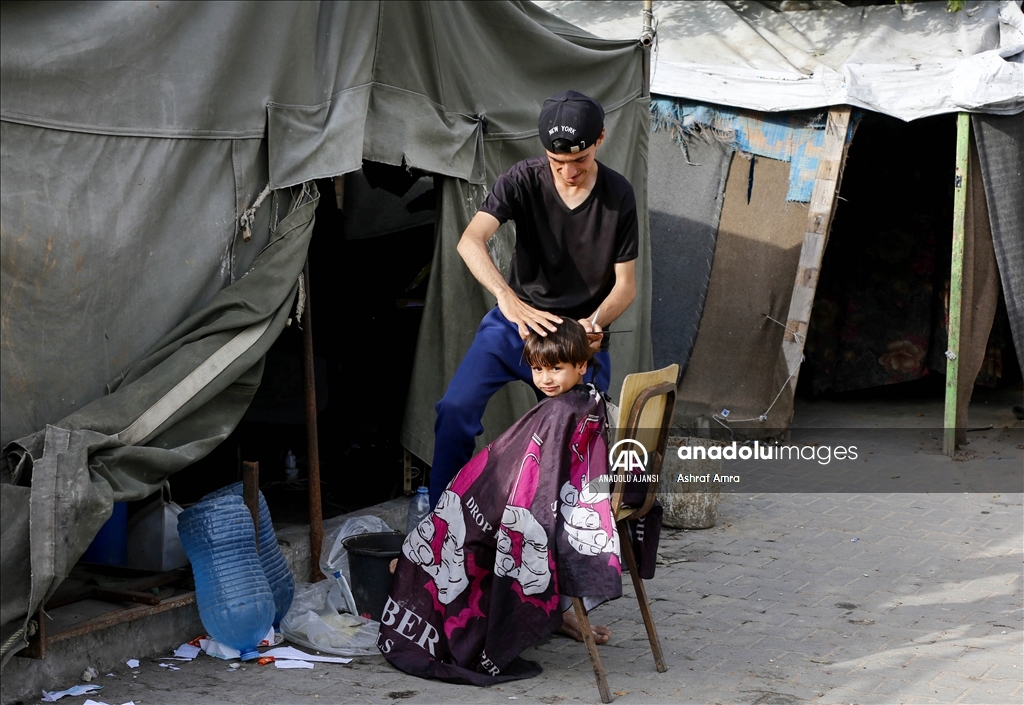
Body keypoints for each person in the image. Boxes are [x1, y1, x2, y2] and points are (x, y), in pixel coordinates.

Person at [431, 89, 639, 514]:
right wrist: (506, 299)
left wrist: (593, 323)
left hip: (577, 337)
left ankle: (567, 541)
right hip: (516, 324)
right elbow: (470, 241)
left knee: (578, 438)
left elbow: (626, 285)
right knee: (454, 410)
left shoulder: (618, 196)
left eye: (578, 161)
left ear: (600, 139)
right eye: (557, 162)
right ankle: (439, 526)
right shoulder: (522, 179)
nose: (568, 172)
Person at [382, 321, 622, 684]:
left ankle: (432, 594)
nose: (546, 380)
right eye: (539, 370)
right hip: (544, 498)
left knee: (457, 533)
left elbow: (541, 476)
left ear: (582, 366)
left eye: (556, 369)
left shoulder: (563, 411)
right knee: (454, 522)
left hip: (543, 508)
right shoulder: (579, 403)